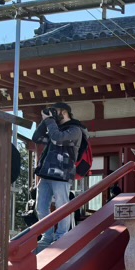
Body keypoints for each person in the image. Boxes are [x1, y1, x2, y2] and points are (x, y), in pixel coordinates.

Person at [31, 102, 89, 251]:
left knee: (62, 206)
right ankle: (47, 236)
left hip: (62, 174)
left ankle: (62, 236)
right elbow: (37, 137)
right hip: (45, 174)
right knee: (41, 207)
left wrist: (50, 121)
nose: (52, 114)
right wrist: (45, 121)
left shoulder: (75, 130)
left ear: (64, 112)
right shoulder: (53, 128)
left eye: (55, 111)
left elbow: (57, 138)